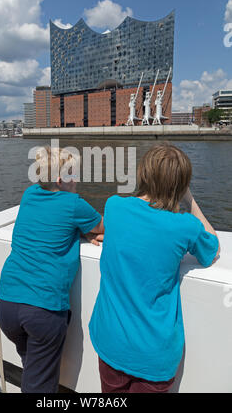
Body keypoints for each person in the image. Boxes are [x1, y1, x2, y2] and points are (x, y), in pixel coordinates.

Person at [89, 143, 220, 394]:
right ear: (180, 185)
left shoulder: (114, 206)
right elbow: (211, 249)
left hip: (110, 340)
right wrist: (189, 199)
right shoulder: (184, 226)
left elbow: (132, 231)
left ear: (143, 174)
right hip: (153, 353)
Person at [0, 146, 104, 393]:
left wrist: (78, 229)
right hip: (42, 310)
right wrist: (86, 230)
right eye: (72, 174)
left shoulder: (29, 194)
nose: (76, 180)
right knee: (39, 386)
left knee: (34, 372)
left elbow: (50, 223)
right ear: (60, 180)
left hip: (8, 305)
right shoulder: (74, 204)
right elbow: (103, 228)